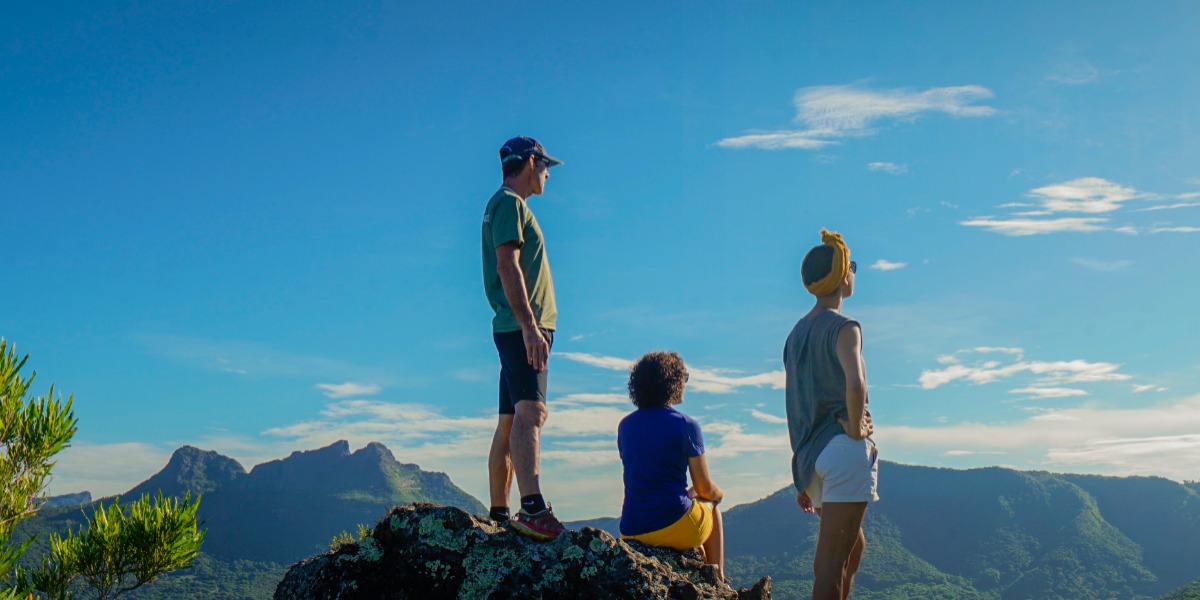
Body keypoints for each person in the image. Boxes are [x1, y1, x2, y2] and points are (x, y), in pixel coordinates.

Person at [783, 229, 878, 600]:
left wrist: (803, 472)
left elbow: (797, 404)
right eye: (851, 265)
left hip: (813, 455)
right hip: (842, 449)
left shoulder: (795, 335)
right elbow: (856, 385)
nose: (854, 272)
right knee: (830, 567)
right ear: (842, 275)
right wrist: (856, 430)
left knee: (852, 551)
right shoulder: (844, 327)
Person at [481, 135, 566, 540]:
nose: (548, 174)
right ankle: (532, 508)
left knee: (511, 419)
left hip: (513, 326)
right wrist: (531, 327)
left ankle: (499, 513)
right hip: (522, 328)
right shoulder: (510, 204)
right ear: (531, 162)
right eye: (546, 166)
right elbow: (506, 264)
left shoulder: (504, 205)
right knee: (532, 414)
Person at [617, 351, 727, 582]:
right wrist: (718, 495)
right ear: (673, 382)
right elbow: (705, 487)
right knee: (711, 505)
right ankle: (716, 577)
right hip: (671, 524)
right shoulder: (686, 425)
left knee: (690, 499)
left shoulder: (625, 426)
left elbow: (648, 475)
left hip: (631, 530)